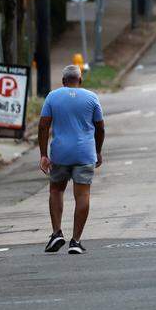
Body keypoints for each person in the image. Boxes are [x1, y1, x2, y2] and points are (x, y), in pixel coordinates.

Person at [38, 64, 105, 254]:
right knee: (82, 195)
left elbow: (43, 126)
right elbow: (100, 127)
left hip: (60, 153)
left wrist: (44, 154)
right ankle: (75, 241)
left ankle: (57, 232)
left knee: (56, 190)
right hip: (84, 153)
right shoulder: (91, 97)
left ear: (63, 82)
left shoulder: (52, 97)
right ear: (80, 80)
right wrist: (98, 151)